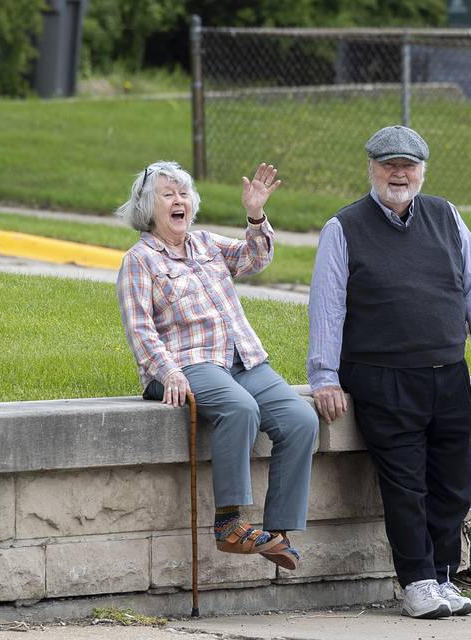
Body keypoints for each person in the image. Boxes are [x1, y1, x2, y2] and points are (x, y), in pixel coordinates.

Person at [307, 126, 471, 619]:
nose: (398, 174)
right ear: (372, 168)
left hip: (447, 372)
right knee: (405, 485)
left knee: (454, 480)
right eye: (388, 164)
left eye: (408, 165)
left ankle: (442, 575)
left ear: (422, 170)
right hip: (381, 376)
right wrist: (324, 376)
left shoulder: (445, 216)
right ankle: (416, 582)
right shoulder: (344, 227)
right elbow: (327, 306)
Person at [116, 160, 319, 571]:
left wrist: (256, 215)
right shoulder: (140, 260)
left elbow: (254, 259)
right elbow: (140, 330)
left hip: (241, 357)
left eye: (184, 193)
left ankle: (276, 532)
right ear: (146, 207)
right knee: (240, 408)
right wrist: (167, 371)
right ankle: (229, 523)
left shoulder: (206, 244)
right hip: (187, 363)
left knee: (301, 418)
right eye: (168, 194)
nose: (179, 200)